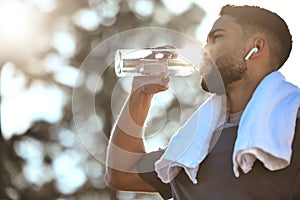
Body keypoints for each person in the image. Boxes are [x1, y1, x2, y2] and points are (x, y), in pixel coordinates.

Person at [105, 4, 300, 199]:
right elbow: (121, 173)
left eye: (217, 37)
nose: (205, 50)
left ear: (255, 47)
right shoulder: (194, 144)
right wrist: (141, 94)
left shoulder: (290, 127)